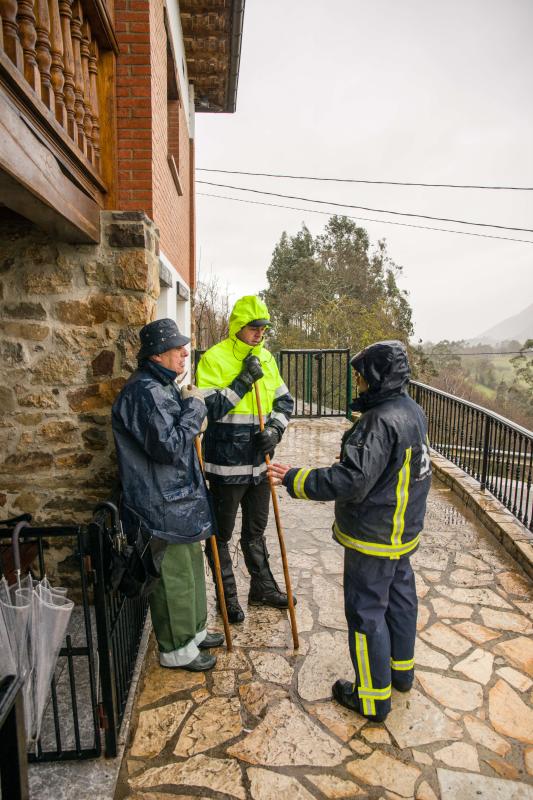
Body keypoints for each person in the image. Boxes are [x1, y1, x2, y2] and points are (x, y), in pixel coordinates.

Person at [269, 340, 432, 722]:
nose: (356, 382)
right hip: (402, 531)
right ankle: (400, 672)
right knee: (401, 600)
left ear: (374, 378)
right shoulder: (412, 410)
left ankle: (372, 699)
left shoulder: (377, 423)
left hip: (374, 535)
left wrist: (296, 479)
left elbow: (352, 480)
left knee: (366, 613)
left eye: (360, 375)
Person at [112, 318, 225, 672]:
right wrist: (194, 409)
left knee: (190, 567)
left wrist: (193, 406)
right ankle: (177, 649)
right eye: (178, 349)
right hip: (159, 504)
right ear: (158, 355)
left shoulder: (162, 386)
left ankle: (193, 633)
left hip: (177, 500)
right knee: (173, 576)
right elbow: (169, 447)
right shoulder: (144, 393)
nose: (184, 353)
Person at [196, 296, 295, 623]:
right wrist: (242, 382)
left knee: (255, 530)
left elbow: (285, 403)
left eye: (263, 328)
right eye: (254, 328)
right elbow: (210, 409)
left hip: (259, 464)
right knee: (220, 535)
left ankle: (262, 588)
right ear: (238, 327)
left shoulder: (267, 358)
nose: (259, 333)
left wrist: (276, 432)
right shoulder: (213, 359)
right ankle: (227, 598)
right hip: (226, 467)